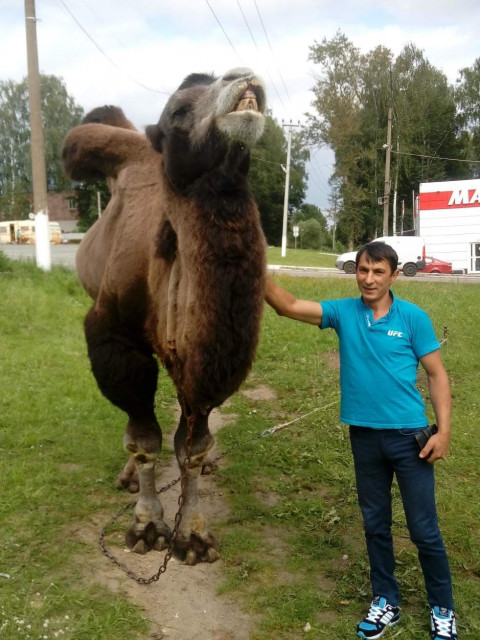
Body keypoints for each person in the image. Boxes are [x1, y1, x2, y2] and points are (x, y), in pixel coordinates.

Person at [265, 241, 457, 640]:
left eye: (378, 272)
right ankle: (386, 600)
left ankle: (443, 608)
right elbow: (287, 305)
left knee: (424, 529)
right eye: (363, 270)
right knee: (375, 524)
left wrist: (444, 431)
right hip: (365, 438)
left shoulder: (413, 318)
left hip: (410, 440)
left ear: (394, 275)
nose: (369, 279)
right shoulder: (342, 312)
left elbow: (437, 375)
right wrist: (252, 269)